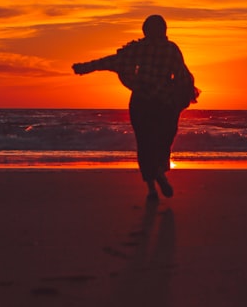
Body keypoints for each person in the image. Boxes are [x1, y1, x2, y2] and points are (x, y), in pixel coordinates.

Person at [72, 15, 198, 199]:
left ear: (145, 30)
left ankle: (152, 188)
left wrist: (86, 67)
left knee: (144, 143)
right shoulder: (171, 50)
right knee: (162, 141)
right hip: (163, 105)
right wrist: (181, 96)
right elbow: (183, 76)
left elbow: (113, 61)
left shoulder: (139, 48)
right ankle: (159, 172)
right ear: (165, 30)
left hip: (141, 103)